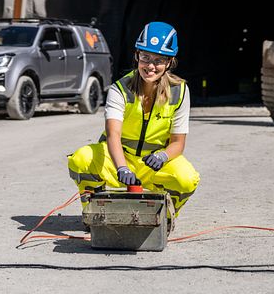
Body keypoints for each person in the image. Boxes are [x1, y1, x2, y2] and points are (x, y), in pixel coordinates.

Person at [67, 21, 199, 217]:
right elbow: (113, 134)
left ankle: (164, 219)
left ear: (169, 62)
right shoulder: (119, 89)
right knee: (82, 159)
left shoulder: (179, 92)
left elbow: (178, 143)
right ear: (137, 55)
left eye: (159, 60)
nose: (151, 66)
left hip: (154, 164)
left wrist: (162, 156)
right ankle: (93, 213)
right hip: (119, 160)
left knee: (186, 178)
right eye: (145, 57)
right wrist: (122, 168)